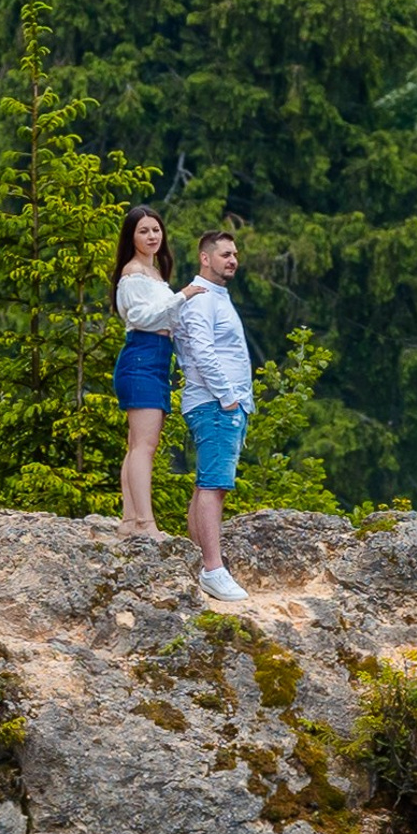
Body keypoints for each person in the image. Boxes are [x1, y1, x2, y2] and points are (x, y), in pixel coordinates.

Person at [110, 203, 199, 536]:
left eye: (155, 229)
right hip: (141, 358)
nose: (151, 236)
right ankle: (145, 522)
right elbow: (141, 319)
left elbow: (164, 318)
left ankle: (131, 519)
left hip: (156, 359)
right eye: (143, 231)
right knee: (144, 446)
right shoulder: (133, 273)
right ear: (131, 237)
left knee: (137, 445)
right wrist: (182, 296)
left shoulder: (155, 274)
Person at [177, 229, 253, 601]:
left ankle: (201, 562)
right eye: (225, 254)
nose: (232, 260)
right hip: (215, 404)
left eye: (235, 254)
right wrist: (228, 399)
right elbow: (202, 352)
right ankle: (213, 569)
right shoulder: (202, 299)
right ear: (205, 258)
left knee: (206, 482)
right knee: (214, 486)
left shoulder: (216, 297)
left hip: (218, 404)